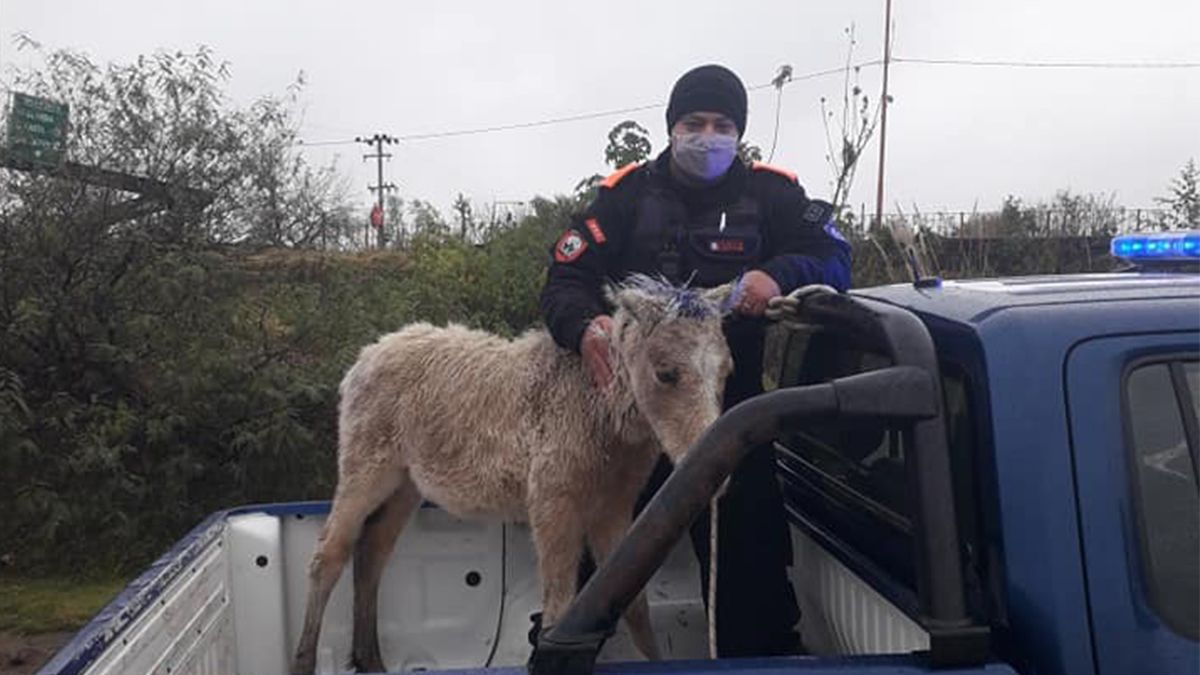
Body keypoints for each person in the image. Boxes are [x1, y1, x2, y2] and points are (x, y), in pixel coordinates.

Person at [539, 64, 851, 657]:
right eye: (693, 122)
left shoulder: (773, 193)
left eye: (721, 124)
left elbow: (833, 258)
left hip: (734, 420)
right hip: (632, 423)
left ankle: (751, 654)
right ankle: (562, 651)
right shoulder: (625, 195)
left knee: (750, 572)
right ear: (672, 127)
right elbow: (564, 279)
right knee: (582, 572)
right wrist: (585, 328)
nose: (707, 135)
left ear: (739, 132)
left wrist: (777, 273)